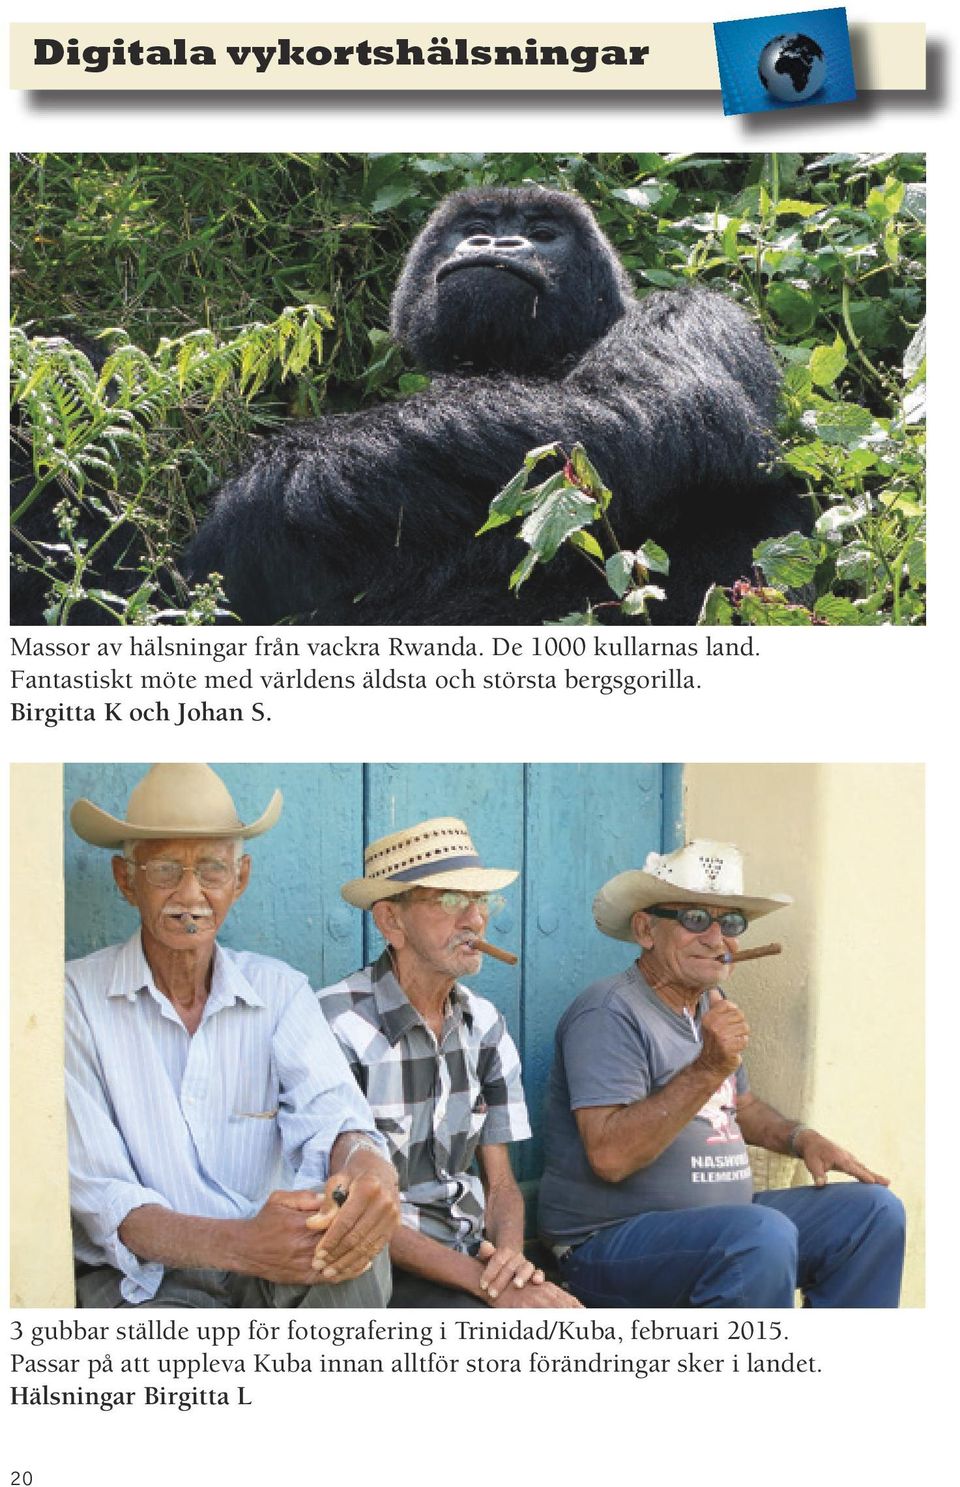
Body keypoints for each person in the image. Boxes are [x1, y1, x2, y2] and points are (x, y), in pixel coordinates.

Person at [66, 764, 400, 1309]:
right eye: (165, 870)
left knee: (359, 1259)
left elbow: (334, 1112)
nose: (191, 895)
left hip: (270, 1263)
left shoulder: (279, 990)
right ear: (126, 881)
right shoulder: (74, 997)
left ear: (240, 879)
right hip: (146, 1280)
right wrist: (242, 1245)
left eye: (213, 870)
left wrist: (364, 1161)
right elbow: (103, 1198)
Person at [538, 840, 906, 1308]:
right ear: (645, 929)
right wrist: (708, 1065)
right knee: (760, 1237)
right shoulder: (610, 1012)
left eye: (731, 922)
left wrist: (801, 1138)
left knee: (873, 1213)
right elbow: (610, 1156)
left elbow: (742, 1107)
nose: (717, 938)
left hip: (727, 1227)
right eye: (694, 919)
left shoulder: (709, 1010)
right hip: (609, 1246)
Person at [320, 816, 579, 1309]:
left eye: (480, 900)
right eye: (451, 899)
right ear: (391, 921)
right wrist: (489, 1286)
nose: (476, 920)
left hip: (473, 1257)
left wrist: (508, 1263)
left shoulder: (484, 1024)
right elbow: (343, 1205)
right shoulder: (335, 1025)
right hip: (380, 1270)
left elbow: (500, 1183)